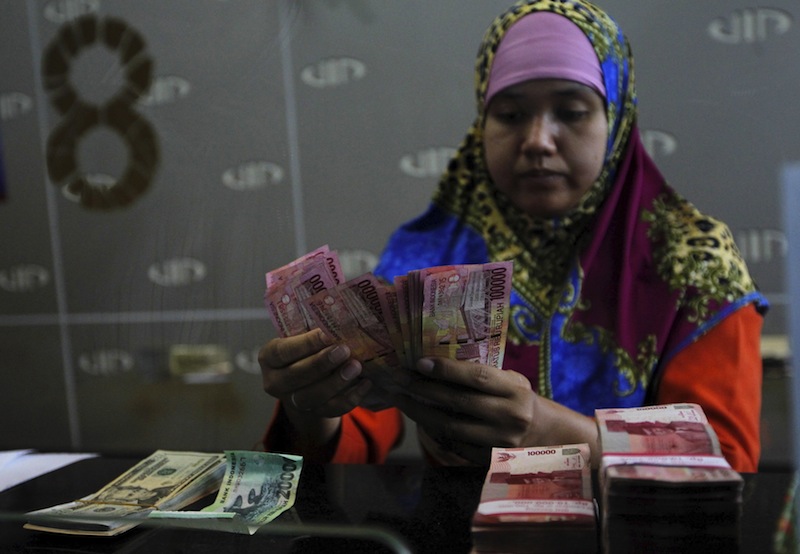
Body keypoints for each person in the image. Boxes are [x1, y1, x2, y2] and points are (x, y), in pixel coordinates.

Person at [258, 0, 767, 472]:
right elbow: (363, 431)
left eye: (571, 111)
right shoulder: (430, 253)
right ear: (483, 122)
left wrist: (566, 437)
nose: (538, 141)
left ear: (615, 121)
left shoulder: (692, 262)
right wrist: (315, 405)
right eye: (510, 114)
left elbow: (729, 462)